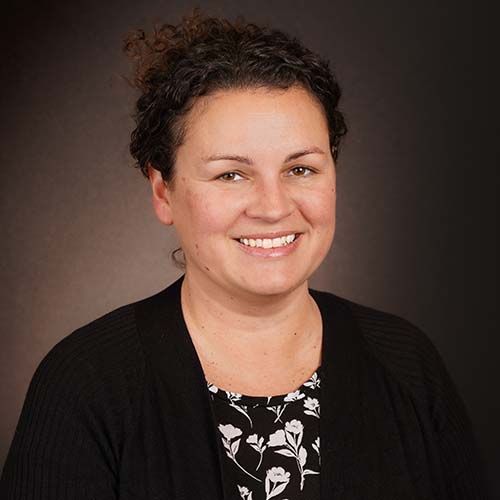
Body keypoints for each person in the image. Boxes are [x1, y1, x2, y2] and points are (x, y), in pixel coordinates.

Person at [0, 8, 487, 500]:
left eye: (300, 169)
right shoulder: (85, 384)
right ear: (163, 192)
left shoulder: (407, 364)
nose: (274, 208)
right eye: (231, 174)